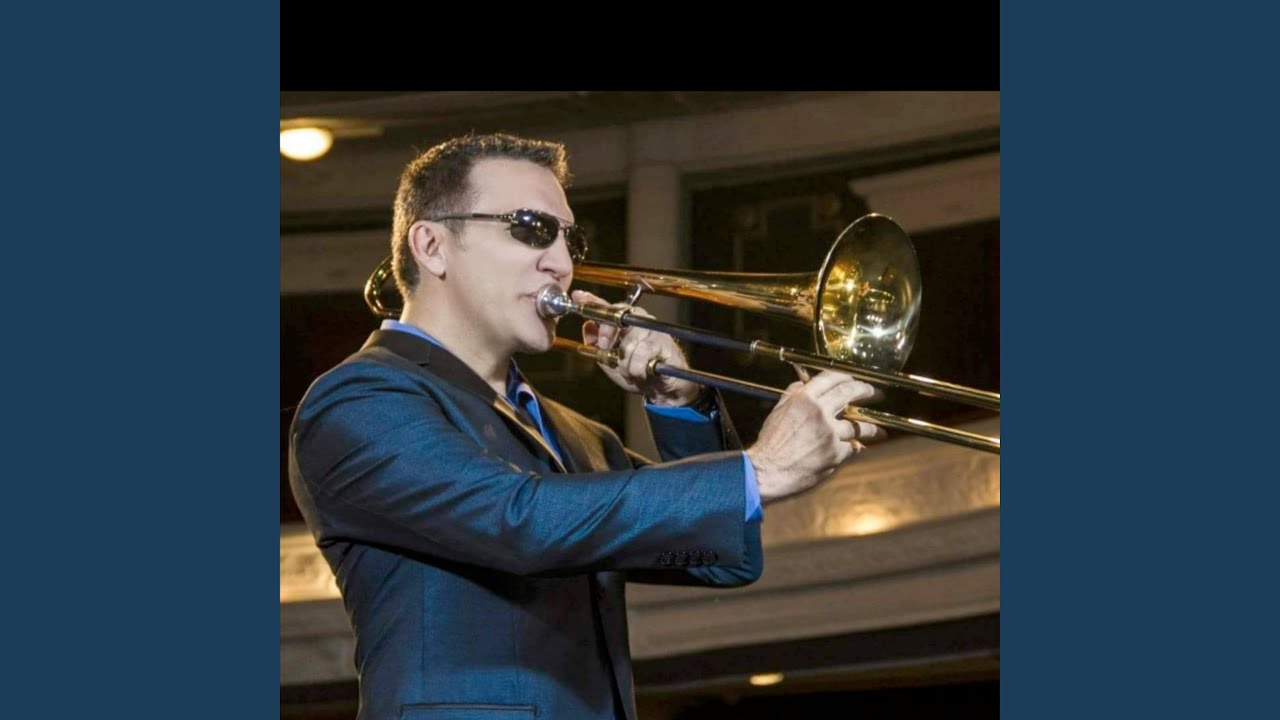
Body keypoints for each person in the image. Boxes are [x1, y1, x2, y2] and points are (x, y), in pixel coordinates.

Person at [288, 132, 881, 720]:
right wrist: (762, 467)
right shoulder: (358, 399)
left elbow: (722, 558)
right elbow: (517, 522)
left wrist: (678, 401)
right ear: (432, 246)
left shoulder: (576, 433)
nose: (564, 264)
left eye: (569, 239)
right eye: (531, 228)